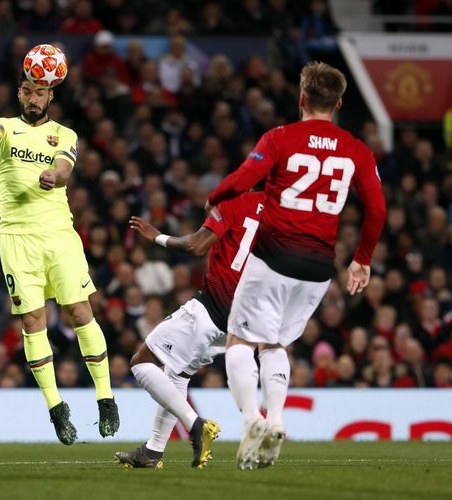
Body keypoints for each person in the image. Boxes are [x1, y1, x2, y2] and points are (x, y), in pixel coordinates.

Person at [206, 62, 386, 469]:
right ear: (338, 104)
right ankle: (277, 419)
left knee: (239, 341)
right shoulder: (357, 149)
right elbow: (377, 209)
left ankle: (252, 420)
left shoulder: (280, 137)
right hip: (318, 268)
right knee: (274, 344)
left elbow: (243, 179)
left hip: (273, 257)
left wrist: (214, 197)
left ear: (302, 98)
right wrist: (361, 259)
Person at [0, 74, 119, 445]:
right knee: (32, 320)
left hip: (58, 235)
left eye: (40, 92)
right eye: (27, 91)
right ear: (19, 93)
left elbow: (64, 170)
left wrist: (54, 176)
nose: (33, 98)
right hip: (16, 238)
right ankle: (56, 407)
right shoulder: (3, 126)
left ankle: (106, 398)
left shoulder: (64, 134)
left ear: (50, 96)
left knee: (79, 311)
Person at [116, 191, 265, 469]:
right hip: (249, 318)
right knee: (178, 373)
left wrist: (158, 237)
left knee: (141, 363)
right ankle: (153, 451)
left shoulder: (234, 202)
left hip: (215, 305)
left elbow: (196, 245)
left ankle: (196, 425)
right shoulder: (283, 214)